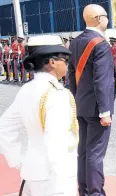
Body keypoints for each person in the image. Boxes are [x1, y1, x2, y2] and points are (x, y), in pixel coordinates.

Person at [0, 35, 77, 195]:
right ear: (52, 62)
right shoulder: (57, 94)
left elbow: (5, 126)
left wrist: (18, 160)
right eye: (65, 59)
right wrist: (61, 185)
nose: (67, 64)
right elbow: (56, 141)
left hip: (31, 173)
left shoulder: (26, 89)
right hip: (54, 180)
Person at [68, 4, 114, 196]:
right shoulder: (100, 44)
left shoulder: (76, 42)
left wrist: (77, 100)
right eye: (105, 16)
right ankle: (96, 193)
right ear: (97, 19)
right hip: (97, 109)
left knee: (84, 153)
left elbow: (72, 76)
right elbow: (101, 80)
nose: (107, 19)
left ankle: (84, 191)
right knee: (95, 153)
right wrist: (105, 111)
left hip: (81, 105)